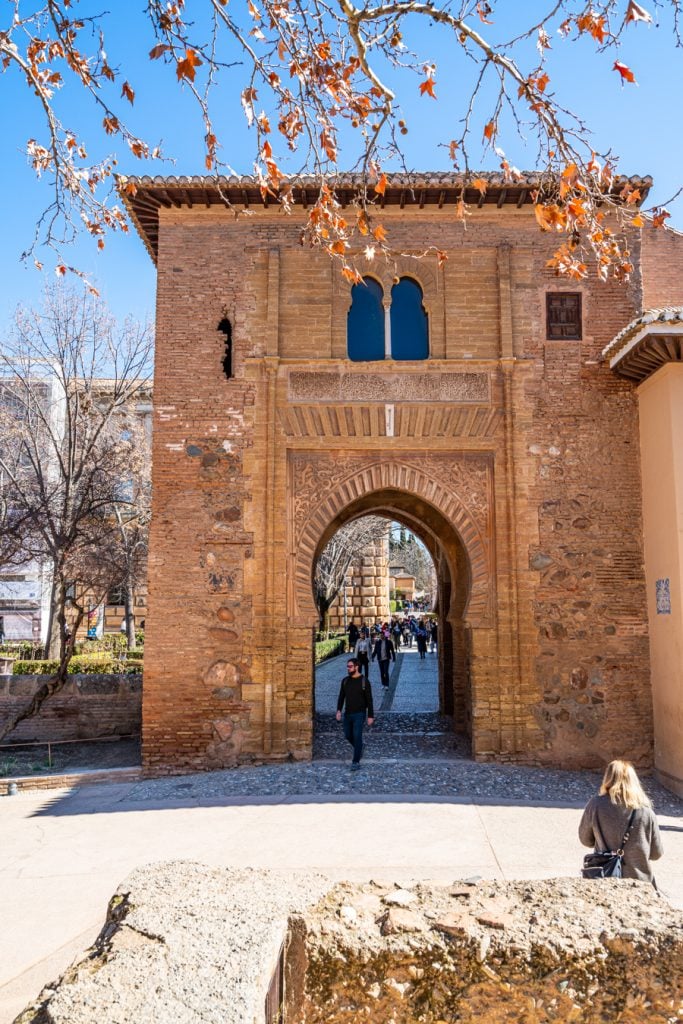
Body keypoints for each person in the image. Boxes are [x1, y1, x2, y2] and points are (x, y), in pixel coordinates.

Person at [579, 759, 663, 886]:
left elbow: (585, 840)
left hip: (604, 878)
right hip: (639, 882)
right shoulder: (646, 812)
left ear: (608, 778)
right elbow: (656, 853)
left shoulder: (595, 805)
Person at [336, 657, 374, 770]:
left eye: (350, 666)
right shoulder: (345, 681)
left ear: (357, 667)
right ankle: (360, 748)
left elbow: (369, 700)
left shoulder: (364, 681)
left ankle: (355, 761)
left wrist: (370, 716)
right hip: (348, 714)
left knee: (357, 736)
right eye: (347, 666)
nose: (348, 668)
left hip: (359, 714)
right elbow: (341, 697)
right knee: (348, 735)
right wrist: (338, 710)